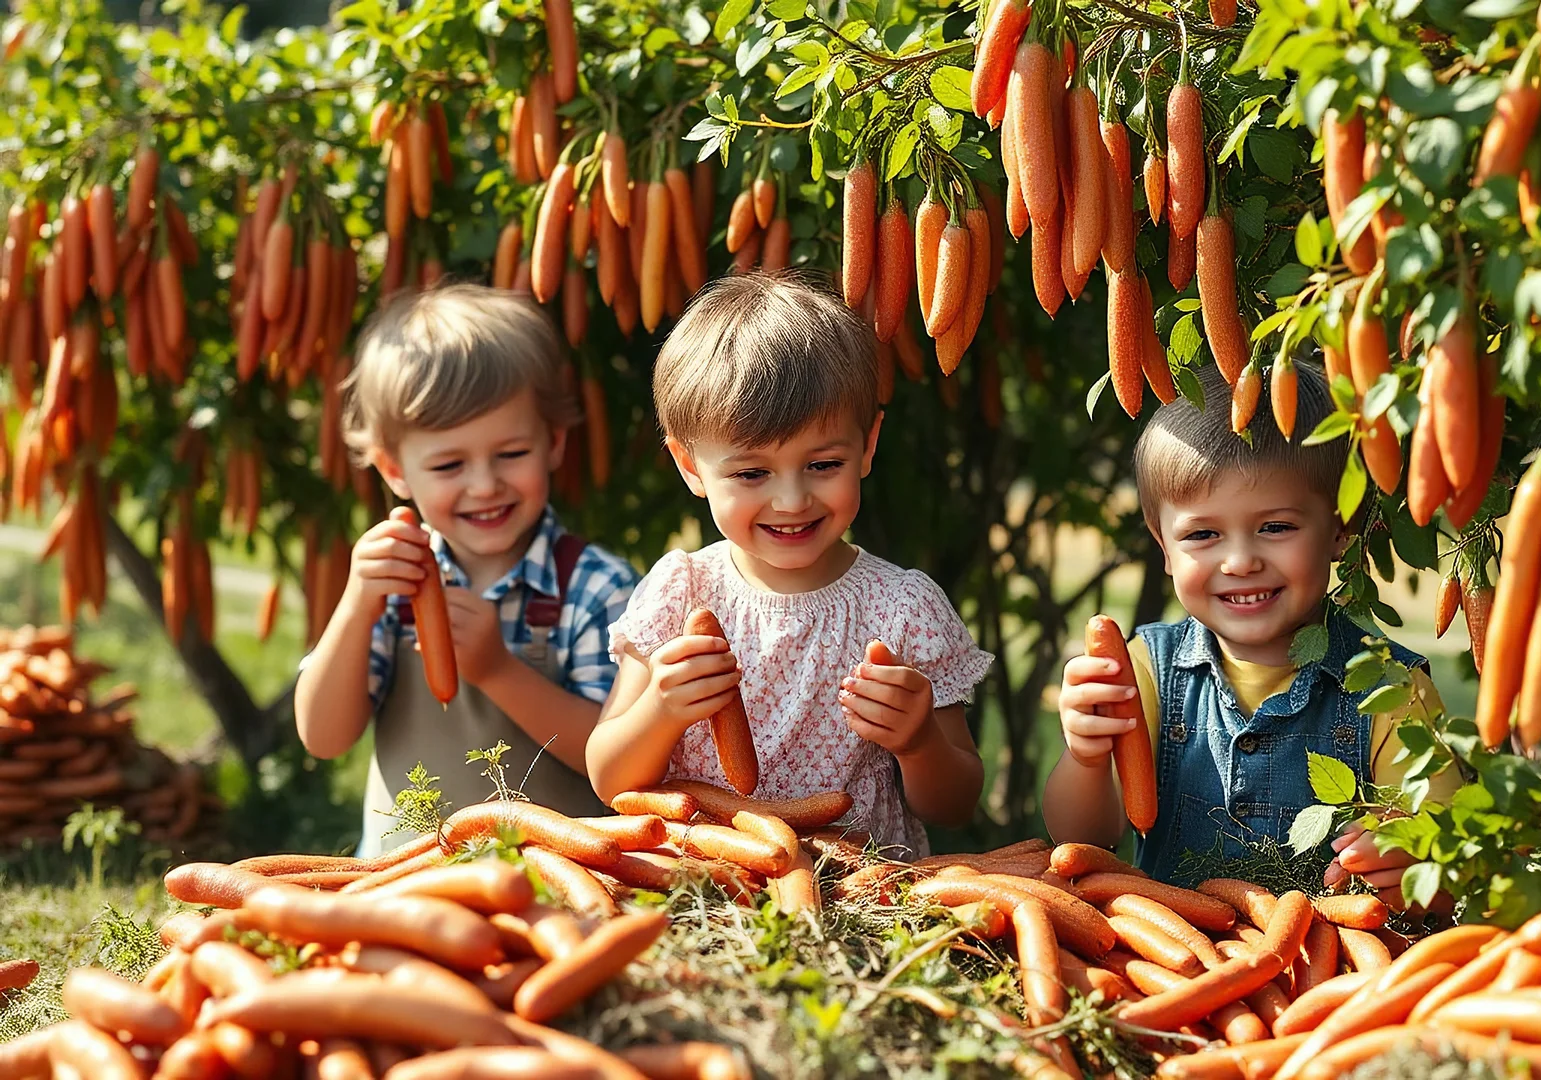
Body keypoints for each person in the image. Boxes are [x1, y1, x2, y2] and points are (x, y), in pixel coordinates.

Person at [586, 272, 990, 860]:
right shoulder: (681, 593)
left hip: (864, 900)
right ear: (690, 466)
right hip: (704, 893)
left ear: (868, 446)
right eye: (752, 474)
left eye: (823, 464)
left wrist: (920, 740)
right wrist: (660, 709)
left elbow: (954, 805)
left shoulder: (903, 610)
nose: (792, 500)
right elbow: (609, 778)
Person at [1041, 361, 1457, 895]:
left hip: (1329, 966)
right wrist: (1086, 757)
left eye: (1276, 527)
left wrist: (1410, 856)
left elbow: (1445, 857)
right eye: (1203, 535)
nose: (1240, 561)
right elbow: (1082, 840)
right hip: (1176, 961)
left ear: (1339, 528)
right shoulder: (1145, 668)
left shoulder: (1393, 691)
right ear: (1163, 545)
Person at [294, 285, 640, 857]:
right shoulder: (391, 587)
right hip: (402, 887)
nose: (485, 484)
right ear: (395, 470)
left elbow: (620, 758)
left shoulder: (595, 586)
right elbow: (324, 737)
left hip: (562, 886)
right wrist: (357, 604)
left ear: (552, 441)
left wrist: (497, 669)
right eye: (450, 464)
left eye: (510, 454)